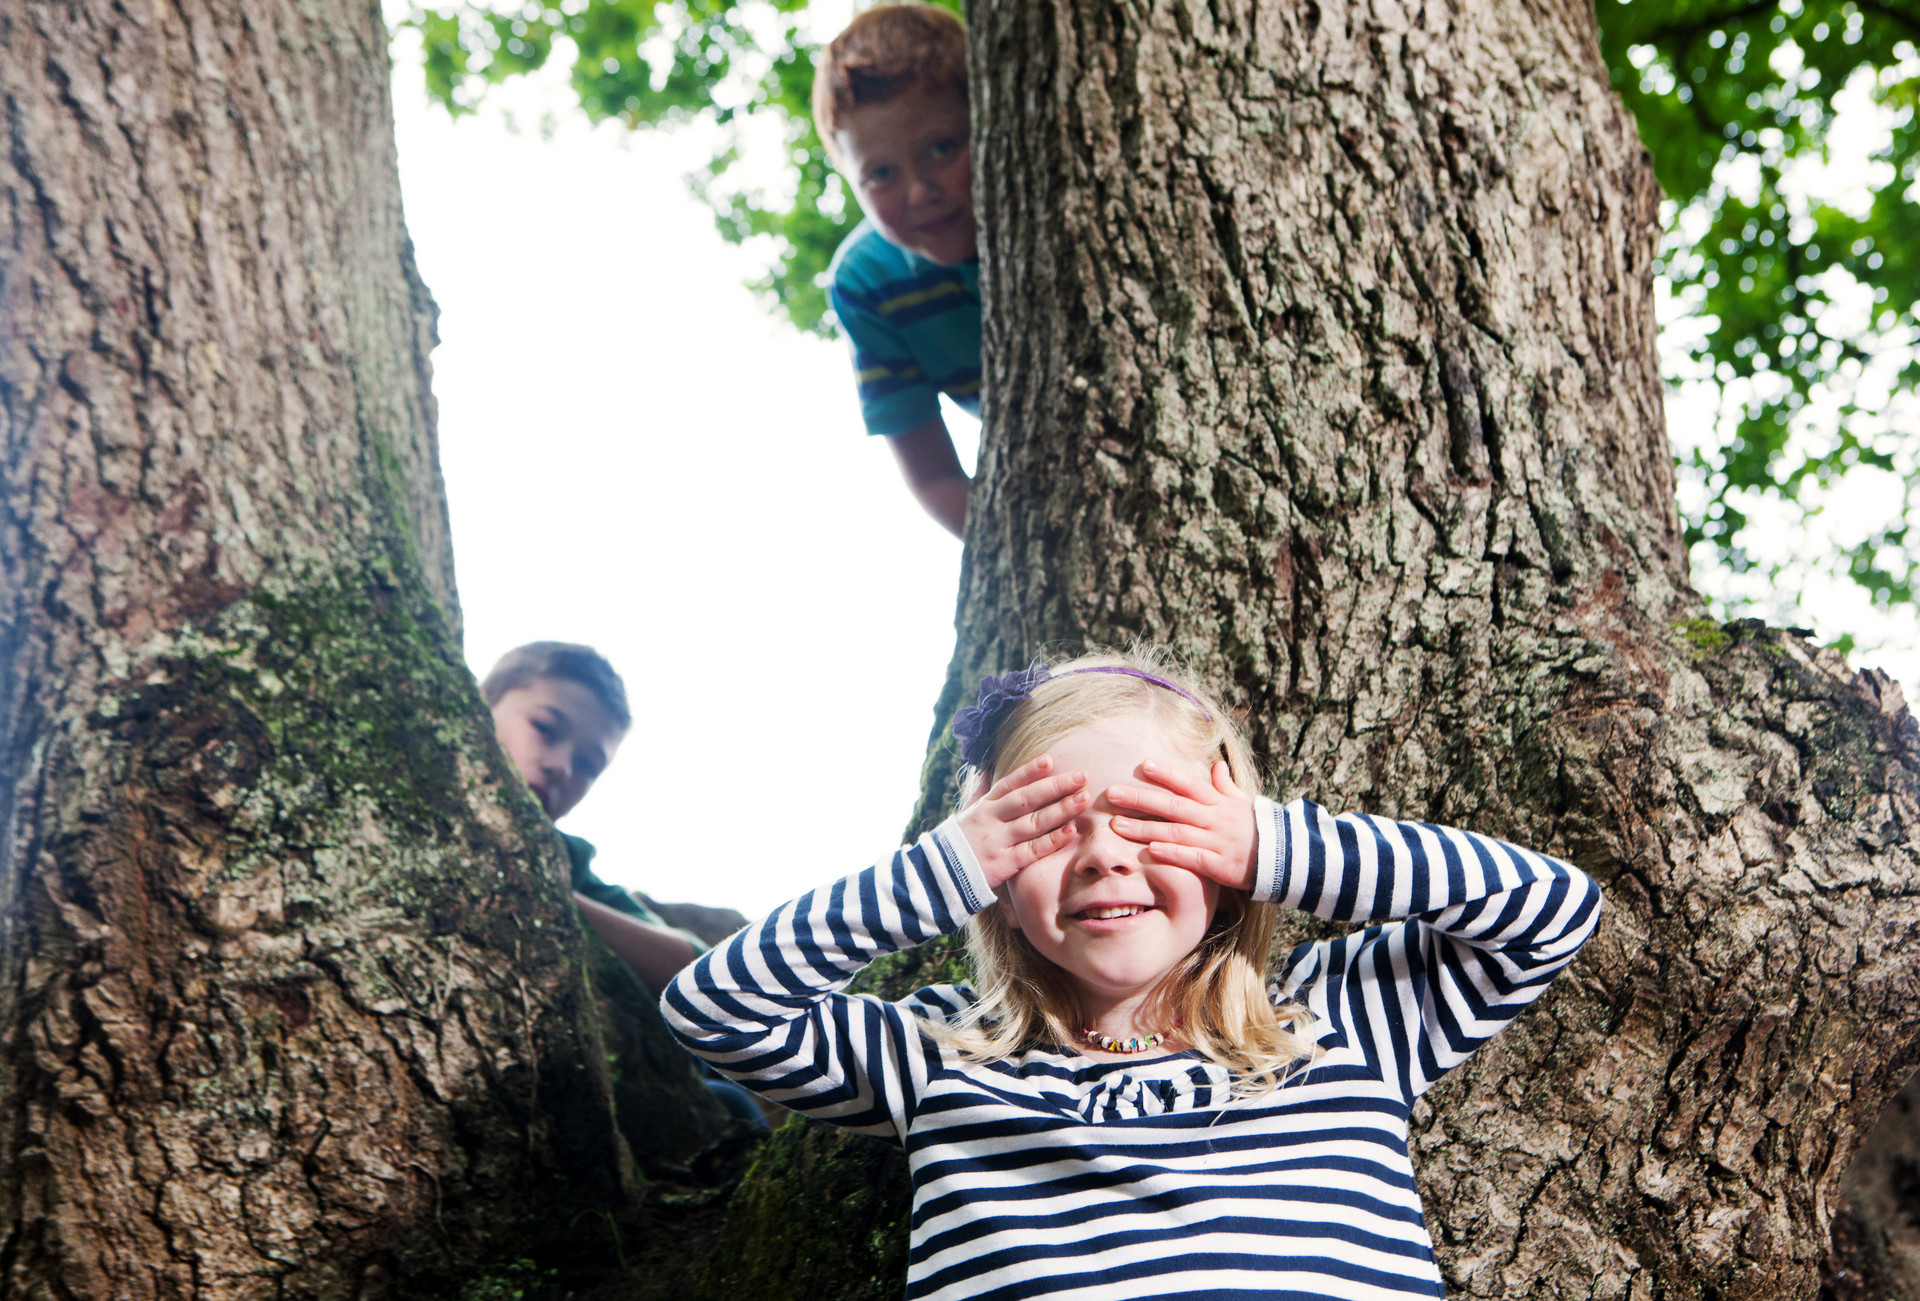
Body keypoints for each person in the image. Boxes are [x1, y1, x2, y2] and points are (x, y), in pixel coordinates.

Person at [663, 648, 1603, 1299]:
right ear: (992, 876)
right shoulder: (944, 1054)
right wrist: (943, 866)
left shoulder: (1341, 1018)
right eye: (1050, 826)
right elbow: (715, 1007)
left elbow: (1552, 909)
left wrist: (1278, 843)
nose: (1104, 855)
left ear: (1231, 852)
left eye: (1152, 819)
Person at [816, 3, 979, 538]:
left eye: (941, 147)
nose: (919, 192)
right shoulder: (868, 284)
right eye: (881, 174)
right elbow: (934, 476)